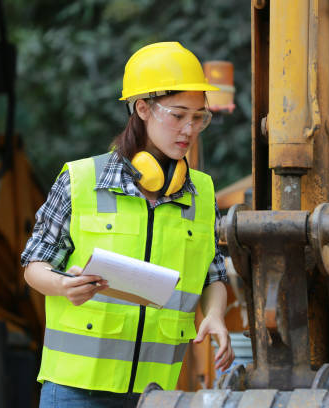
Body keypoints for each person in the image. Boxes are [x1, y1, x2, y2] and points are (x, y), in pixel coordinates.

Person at [21, 41, 234, 408]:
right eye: (178, 114)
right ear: (142, 108)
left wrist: (215, 314)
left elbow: (213, 274)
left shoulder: (202, 193)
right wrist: (63, 285)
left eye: (199, 117)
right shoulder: (80, 179)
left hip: (155, 394)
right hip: (73, 390)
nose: (189, 129)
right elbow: (34, 264)